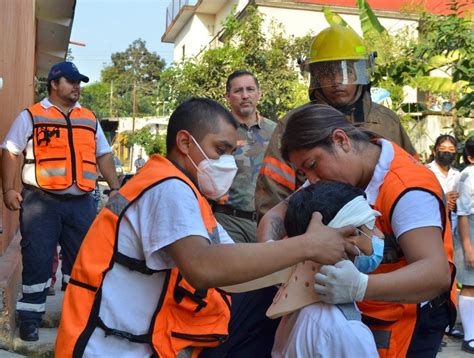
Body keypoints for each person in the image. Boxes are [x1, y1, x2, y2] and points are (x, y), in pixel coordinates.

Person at [55, 98, 357, 357]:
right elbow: (202, 267)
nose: (228, 163)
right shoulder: (168, 188)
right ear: (186, 142)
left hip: (130, 341)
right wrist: (308, 246)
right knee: (261, 310)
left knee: (264, 297)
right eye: (220, 150)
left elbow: (236, 259)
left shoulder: (183, 190)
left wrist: (296, 263)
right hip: (109, 348)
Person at [258, 104, 457, 357]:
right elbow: (276, 214)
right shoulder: (331, 173)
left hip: (409, 317)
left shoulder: (407, 189)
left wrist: (360, 286)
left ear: (341, 140)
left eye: (312, 165)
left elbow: (435, 274)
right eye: (304, 173)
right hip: (358, 310)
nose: (312, 180)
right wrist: (272, 258)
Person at [1, 61, 121, 342]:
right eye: (71, 81)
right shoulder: (31, 116)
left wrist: (115, 187)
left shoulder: (89, 119)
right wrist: (8, 189)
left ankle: (78, 318)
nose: (78, 86)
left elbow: (103, 154)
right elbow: (10, 151)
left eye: (79, 81)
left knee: (83, 262)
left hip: (81, 203)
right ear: (54, 84)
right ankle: (30, 319)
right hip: (41, 202)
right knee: (38, 259)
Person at [255, 24, 416, 220]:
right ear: (314, 76)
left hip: (386, 230)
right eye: (327, 73)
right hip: (318, 235)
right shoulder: (294, 125)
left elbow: (412, 177)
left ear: (360, 73)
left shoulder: (387, 122)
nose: (337, 80)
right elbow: (273, 194)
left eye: (346, 71)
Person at [272, 181, 381, 357]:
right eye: (373, 227)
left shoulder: (298, 303)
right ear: (350, 237)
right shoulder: (345, 330)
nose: (380, 235)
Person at [210, 70, 276, 243]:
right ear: (228, 96)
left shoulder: (276, 131)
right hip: (228, 221)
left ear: (259, 94)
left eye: (250, 89)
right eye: (238, 91)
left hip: (267, 222)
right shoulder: (216, 131)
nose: (245, 96)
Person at [455, 136, 474, 354]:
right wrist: (468, 247)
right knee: (470, 284)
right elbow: (462, 214)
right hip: (470, 229)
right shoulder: (467, 176)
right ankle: (469, 336)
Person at [426, 134, 461, 233]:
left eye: (451, 149)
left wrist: (456, 204)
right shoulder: (426, 171)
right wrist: (444, 200)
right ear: (434, 151)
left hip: (454, 227)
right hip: (433, 224)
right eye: (443, 148)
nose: (447, 152)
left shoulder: (457, 174)